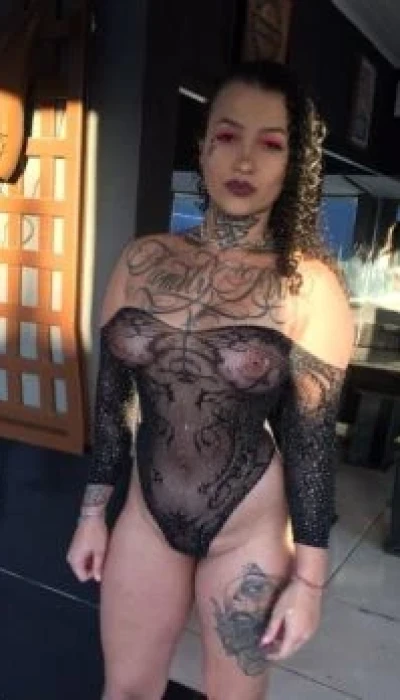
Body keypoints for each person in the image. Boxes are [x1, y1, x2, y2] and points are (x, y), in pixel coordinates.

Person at [67, 60, 353, 700]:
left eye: (270, 144)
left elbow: (310, 447)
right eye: (228, 135)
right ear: (202, 146)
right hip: (146, 515)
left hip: (247, 528)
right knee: (125, 691)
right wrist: (92, 515)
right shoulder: (141, 261)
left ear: (293, 164)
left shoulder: (310, 289)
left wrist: (308, 583)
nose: (244, 160)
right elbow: (112, 404)